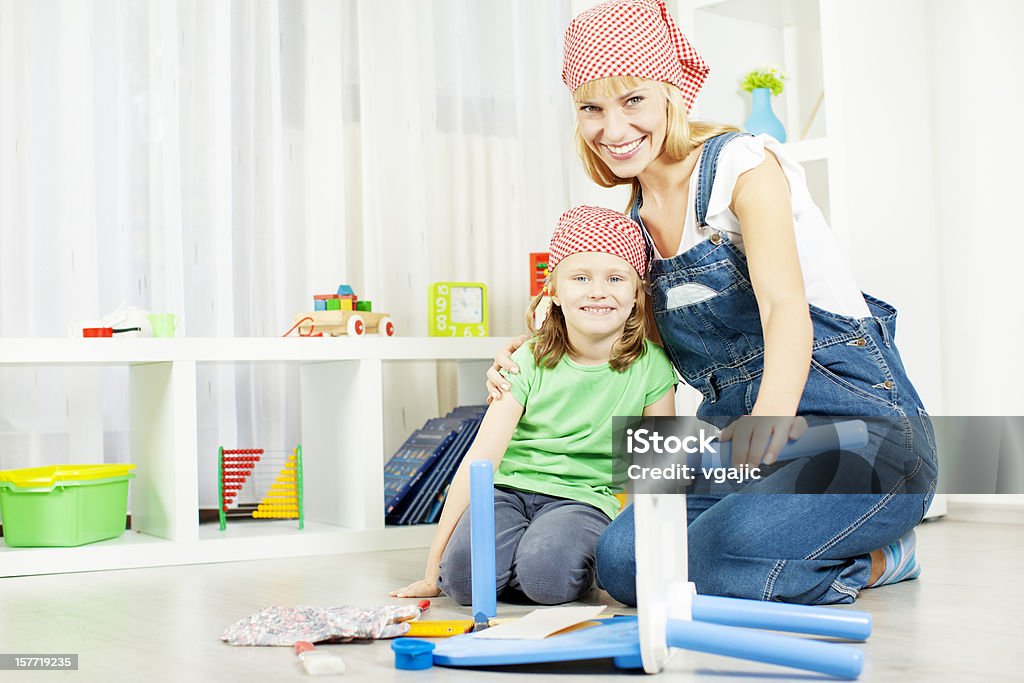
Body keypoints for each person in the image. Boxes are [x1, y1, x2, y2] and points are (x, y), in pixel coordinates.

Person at [486, 0, 937, 606]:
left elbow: (783, 309)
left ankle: (881, 558)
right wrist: (529, 354)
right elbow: (616, 343)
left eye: (633, 100)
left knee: (719, 556)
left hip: (862, 432)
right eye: (592, 108)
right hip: (732, 436)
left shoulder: (743, 166)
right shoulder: (633, 226)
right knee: (622, 564)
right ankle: (793, 539)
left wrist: (763, 445)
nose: (612, 130)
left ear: (673, 91)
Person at [391, 205, 677, 605]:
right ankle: (518, 560)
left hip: (584, 499)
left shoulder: (652, 367)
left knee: (546, 577)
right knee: (463, 582)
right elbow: (481, 458)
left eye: (615, 278)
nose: (598, 291)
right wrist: (431, 567)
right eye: (580, 278)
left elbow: (658, 474)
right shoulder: (526, 359)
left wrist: (646, 559)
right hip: (507, 491)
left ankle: (539, 561)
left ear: (636, 293)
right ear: (554, 292)